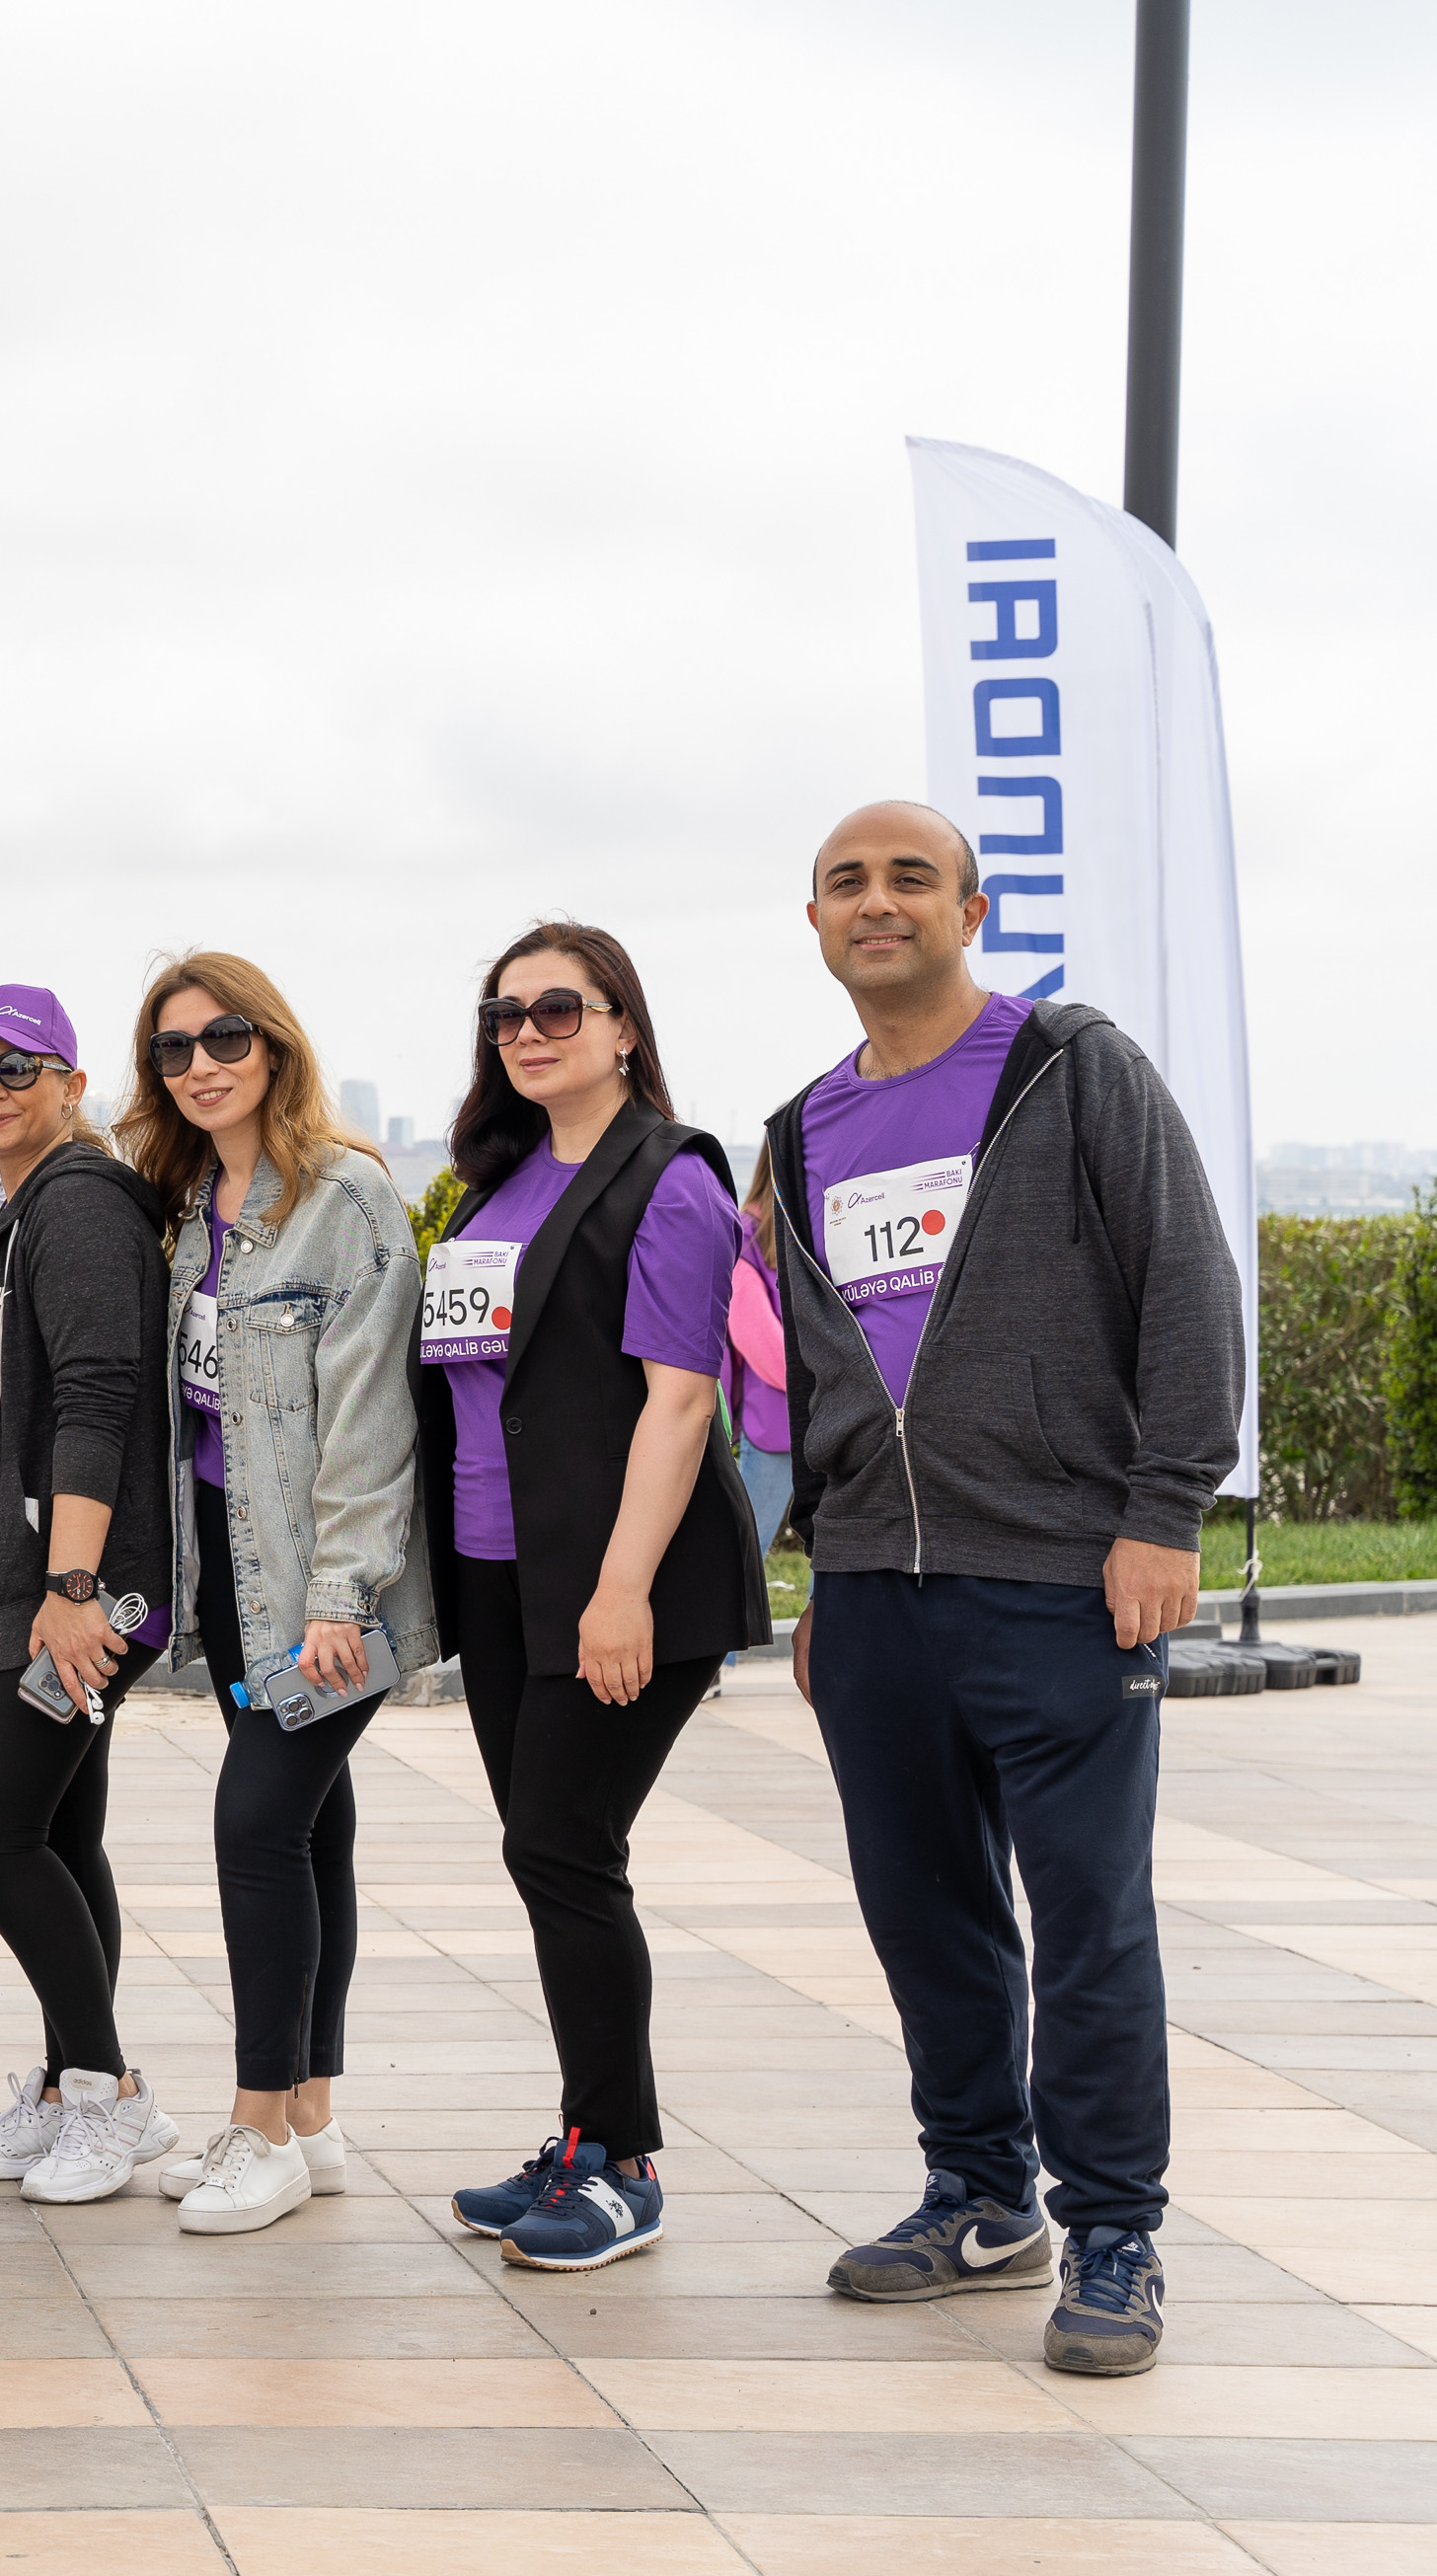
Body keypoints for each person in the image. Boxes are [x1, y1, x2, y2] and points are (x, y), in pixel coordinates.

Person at [771, 800, 1240, 2377]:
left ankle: (1114, 2230)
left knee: (1090, 1917)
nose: (877, 900)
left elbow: (1186, 1281)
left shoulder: (1070, 1064)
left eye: (912, 876)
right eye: (847, 881)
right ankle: (981, 2194)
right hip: (875, 1588)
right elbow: (826, 1368)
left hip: (1061, 1574)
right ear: (814, 922)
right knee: (926, 1910)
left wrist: (1164, 1509)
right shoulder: (800, 1126)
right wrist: (827, 1560)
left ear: (971, 909)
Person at [411, 924, 765, 2267]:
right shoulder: (494, 1186)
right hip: (500, 1574)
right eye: (504, 1013)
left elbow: (679, 1402)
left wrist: (618, 1594)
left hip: (616, 1580)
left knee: (562, 1848)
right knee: (548, 1852)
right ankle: (583, 2139)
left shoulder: (669, 1181)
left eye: (558, 1007)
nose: (527, 1031)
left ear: (623, 1026)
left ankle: (623, 2162)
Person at [126, 951, 436, 2235]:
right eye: (174, 1047)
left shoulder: (346, 1197)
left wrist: (340, 1595)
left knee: (257, 1826)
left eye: (226, 1038)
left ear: (276, 1047)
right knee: (312, 1825)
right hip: (228, 1570)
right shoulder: (183, 1204)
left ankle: (258, 2124)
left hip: (320, 1581)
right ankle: (311, 2110)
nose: (201, 1065)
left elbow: (372, 1419)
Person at [0, 986, 191, 2205]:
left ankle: (107, 2094)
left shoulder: (76, 1205)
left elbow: (95, 1399)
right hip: (41, 1576)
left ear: (73, 1085)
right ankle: (67, 2084)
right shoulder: (24, 1208)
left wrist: (72, 1585)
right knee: (60, 1833)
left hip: (83, 1589)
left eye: (17, 1068)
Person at [724, 1150, 795, 1548]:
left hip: (831, 1419)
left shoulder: (818, 1225)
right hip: (776, 1422)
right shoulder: (746, 1235)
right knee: (745, 1549)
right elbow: (758, 1341)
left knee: (834, 1562)